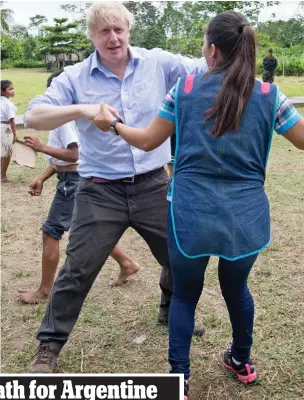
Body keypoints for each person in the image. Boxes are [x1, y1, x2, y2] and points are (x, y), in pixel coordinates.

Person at [93, 11, 304, 399]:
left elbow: (147, 141)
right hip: (244, 218)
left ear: (211, 50)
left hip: (189, 214)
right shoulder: (269, 95)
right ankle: (241, 360)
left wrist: (111, 125)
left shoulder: (185, 90)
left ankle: (179, 378)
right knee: (237, 289)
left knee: (184, 295)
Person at [25, 2, 206, 373]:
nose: (113, 38)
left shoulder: (158, 63)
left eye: (119, 29)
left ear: (129, 31)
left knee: (177, 256)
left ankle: (169, 308)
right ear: (92, 36)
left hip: (154, 183)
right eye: (104, 31)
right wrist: (82, 109)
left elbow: (206, 68)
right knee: (78, 269)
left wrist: (232, 42)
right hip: (99, 189)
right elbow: (33, 115)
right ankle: (49, 347)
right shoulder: (75, 77)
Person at [18, 72, 139, 304]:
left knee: (51, 231)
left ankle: (44, 291)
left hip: (72, 183)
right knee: (86, 229)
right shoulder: (68, 119)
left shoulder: (64, 122)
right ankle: (127, 263)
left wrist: (42, 148)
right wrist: (43, 176)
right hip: (74, 179)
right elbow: (65, 161)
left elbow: (74, 155)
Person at [1, 80, 17, 182]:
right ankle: (3, 175)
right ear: (2, 91)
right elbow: (12, 120)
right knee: (7, 152)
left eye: (13, 88)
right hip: (6, 128)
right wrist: (15, 134)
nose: (13, 91)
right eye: (10, 89)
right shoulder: (8, 104)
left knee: (1, 151)